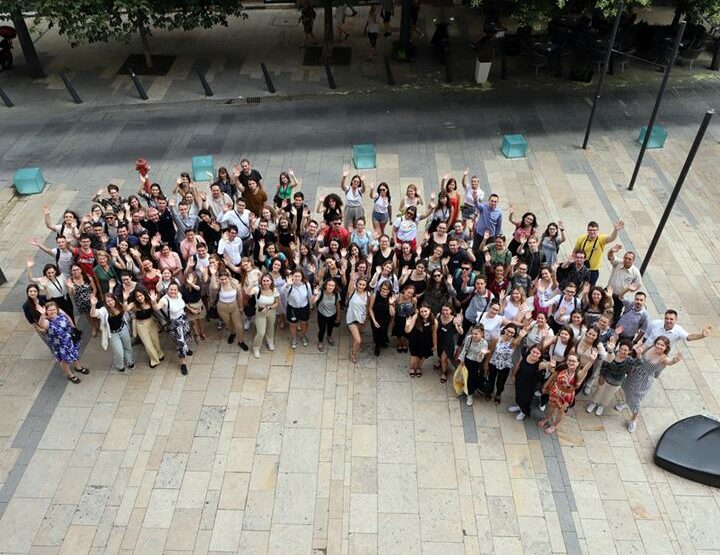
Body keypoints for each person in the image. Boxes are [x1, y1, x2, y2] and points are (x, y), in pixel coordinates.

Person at [618, 336, 684, 432]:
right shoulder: (650, 347)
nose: (659, 346)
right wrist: (638, 353)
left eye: (662, 345)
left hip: (643, 380)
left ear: (666, 347)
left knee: (636, 399)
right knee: (627, 388)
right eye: (658, 343)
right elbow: (640, 358)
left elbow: (669, 362)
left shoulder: (663, 358)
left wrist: (674, 360)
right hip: (635, 372)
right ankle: (626, 403)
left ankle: (634, 419)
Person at [36, 301, 89, 383]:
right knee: (64, 360)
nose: (52, 312)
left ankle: (78, 367)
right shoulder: (47, 321)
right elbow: (42, 325)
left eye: (54, 309)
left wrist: (73, 328)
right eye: (50, 310)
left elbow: (68, 317)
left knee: (74, 353)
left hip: (69, 340)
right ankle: (70, 375)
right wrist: (42, 315)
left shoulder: (60, 313)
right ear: (46, 311)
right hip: (59, 346)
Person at [585, 338, 639, 416]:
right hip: (606, 378)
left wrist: (639, 355)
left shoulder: (629, 360)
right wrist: (601, 375)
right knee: (599, 391)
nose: (623, 351)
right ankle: (594, 403)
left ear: (629, 351)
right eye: (621, 349)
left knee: (608, 395)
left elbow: (638, 363)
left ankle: (601, 405)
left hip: (616, 382)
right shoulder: (612, 353)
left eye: (625, 350)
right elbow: (604, 364)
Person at [149, 285, 193, 375]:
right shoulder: (164, 300)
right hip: (175, 323)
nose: (173, 291)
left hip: (183, 319)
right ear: (167, 290)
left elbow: (182, 305)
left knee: (185, 336)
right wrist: (153, 301)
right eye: (171, 289)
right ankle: (183, 363)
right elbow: (157, 307)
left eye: (175, 289)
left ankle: (186, 349)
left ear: (178, 290)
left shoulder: (179, 294)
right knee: (180, 342)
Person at [90, 292, 135, 373]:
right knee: (119, 352)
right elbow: (93, 314)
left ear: (115, 299)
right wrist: (93, 305)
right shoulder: (104, 310)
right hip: (113, 334)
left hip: (123, 329)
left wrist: (125, 300)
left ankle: (129, 361)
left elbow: (125, 309)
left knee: (128, 347)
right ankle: (119, 365)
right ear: (105, 303)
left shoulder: (119, 305)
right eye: (108, 301)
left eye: (112, 300)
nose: (111, 303)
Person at [537, 354, 580, 435]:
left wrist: (591, 361)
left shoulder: (579, 374)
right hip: (556, 391)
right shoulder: (562, 367)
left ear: (578, 363)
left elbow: (585, 371)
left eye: (573, 361)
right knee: (551, 406)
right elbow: (553, 376)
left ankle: (554, 426)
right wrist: (545, 386)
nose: (571, 362)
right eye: (569, 360)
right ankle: (547, 418)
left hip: (566, 396)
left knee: (561, 411)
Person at [486, 323, 528, 404]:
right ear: (504, 329)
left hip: (505, 365)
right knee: (491, 379)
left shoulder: (513, 342)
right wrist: (486, 363)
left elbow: (517, 342)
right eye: (508, 331)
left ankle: (498, 394)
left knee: (501, 382)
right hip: (493, 362)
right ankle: (489, 391)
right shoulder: (496, 338)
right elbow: (491, 351)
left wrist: (521, 335)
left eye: (512, 333)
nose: (509, 334)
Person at [573, 219, 624, 286]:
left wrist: (615, 230)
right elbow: (575, 251)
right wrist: (572, 262)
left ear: (598, 231)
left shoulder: (600, 239)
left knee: (589, 288)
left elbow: (611, 238)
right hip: (580, 267)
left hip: (593, 270)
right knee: (575, 285)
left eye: (594, 230)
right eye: (590, 230)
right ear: (587, 230)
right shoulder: (582, 238)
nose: (592, 232)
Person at [508, 346, 553, 421]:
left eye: (537, 353)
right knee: (518, 394)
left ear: (540, 355)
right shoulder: (525, 355)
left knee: (525, 399)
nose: (535, 354)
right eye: (533, 352)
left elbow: (545, 365)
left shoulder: (540, 364)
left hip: (529, 385)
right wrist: (514, 375)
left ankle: (524, 412)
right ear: (530, 351)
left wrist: (549, 364)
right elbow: (519, 364)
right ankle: (519, 406)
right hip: (520, 380)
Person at [125, 288, 165, 368]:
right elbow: (126, 309)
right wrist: (125, 300)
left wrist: (154, 301)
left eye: (140, 295)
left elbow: (156, 308)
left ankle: (160, 354)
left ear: (144, 294)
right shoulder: (134, 304)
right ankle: (154, 360)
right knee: (147, 344)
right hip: (141, 325)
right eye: (137, 296)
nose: (139, 298)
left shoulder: (149, 300)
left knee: (155, 341)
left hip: (151, 322)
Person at [211, 269, 249, 350]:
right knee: (229, 324)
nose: (224, 281)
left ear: (229, 277)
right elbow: (214, 287)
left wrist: (241, 307)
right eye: (222, 279)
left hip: (234, 306)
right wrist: (213, 274)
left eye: (225, 279)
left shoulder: (235, 283)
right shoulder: (219, 284)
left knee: (239, 325)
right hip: (222, 307)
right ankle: (233, 333)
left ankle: (241, 341)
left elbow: (240, 296)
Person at [640, 309, 712, 350]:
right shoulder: (654, 323)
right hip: (645, 350)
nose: (668, 321)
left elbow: (688, 337)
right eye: (666, 318)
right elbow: (646, 336)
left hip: (659, 356)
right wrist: (641, 346)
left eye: (671, 319)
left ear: (676, 320)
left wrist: (701, 335)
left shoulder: (678, 330)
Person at [606, 244, 643, 323]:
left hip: (619, 297)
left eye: (629, 259)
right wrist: (611, 251)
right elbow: (610, 257)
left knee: (615, 316)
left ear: (633, 260)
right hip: (608, 292)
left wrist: (631, 289)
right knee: (602, 309)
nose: (627, 260)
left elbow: (638, 284)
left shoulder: (635, 272)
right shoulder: (618, 263)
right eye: (625, 258)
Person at [457, 324, 489, 406]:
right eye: (473, 333)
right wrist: (462, 359)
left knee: (471, 379)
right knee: (463, 376)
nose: (474, 335)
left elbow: (479, 360)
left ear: (481, 334)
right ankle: (463, 389)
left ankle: (470, 395)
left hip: (475, 363)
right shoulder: (469, 338)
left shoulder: (484, 343)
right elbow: (465, 349)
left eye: (476, 334)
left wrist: (481, 354)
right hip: (466, 360)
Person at [66, 263, 99, 337]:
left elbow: (94, 289)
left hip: (91, 300)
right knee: (88, 315)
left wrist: (93, 296)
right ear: (71, 271)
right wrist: (71, 287)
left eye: (77, 269)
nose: (76, 271)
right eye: (73, 270)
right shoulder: (70, 281)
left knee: (95, 313)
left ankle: (98, 323)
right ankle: (93, 327)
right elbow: (72, 294)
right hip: (80, 302)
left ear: (81, 270)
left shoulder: (87, 277)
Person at [285, 270, 315, 349]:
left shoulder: (306, 284)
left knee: (304, 323)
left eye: (299, 276)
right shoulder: (288, 285)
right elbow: (283, 295)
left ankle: (304, 336)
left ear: (302, 277)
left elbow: (309, 296)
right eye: (295, 276)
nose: (297, 278)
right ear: (292, 277)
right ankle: (294, 338)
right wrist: (287, 285)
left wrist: (311, 306)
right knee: (293, 324)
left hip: (304, 307)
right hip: (292, 308)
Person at [252, 273, 280, 358]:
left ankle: (270, 342)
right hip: (260, 312)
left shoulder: (274, 290)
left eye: (267, 281)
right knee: (261, 332)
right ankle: (256, 347)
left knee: (270, 327)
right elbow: (248, 292)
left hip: (271, 311)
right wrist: (252, 283)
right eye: (264, 281)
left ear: (271, 281)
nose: (265, 282)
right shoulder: (257, 289)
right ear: (261, 281)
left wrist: (268, 307)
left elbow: (277, 303)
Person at [405, 305, 437, 378]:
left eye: (425, 311)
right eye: (421, 311)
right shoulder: (416, 316)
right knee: (414, 357)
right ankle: (412, 368)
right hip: (415, 340)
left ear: (429, 310)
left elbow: (434, 334)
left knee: (422, 357)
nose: (424, 313)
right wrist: (407, 325)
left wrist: (435, 345)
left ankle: (419, 367)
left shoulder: (433, 320)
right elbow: (407, 331)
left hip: (426, 342)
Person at [435, 305, 463, 383]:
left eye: (446, 310)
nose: (444, 312)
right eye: (443, 310)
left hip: (448, 343)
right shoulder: (438, 315)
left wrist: (458, 325)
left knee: (444, 358)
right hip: (439, 341)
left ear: (451, 310)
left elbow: (461, 332)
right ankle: (440, 362)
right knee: (440, 355)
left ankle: (444, 373)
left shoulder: (454, 320)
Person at [346, 277, 370, 363]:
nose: (361, 286)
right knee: (358, 340)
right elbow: (351, 280)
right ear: (357, 284)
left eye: (363, 285)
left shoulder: (368, 294)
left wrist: (366, 320)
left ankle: (355, 346)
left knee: (357, 337)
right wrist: (352, 273)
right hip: (351, 318)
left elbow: (367, 308)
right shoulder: (352, 291)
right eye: (360, 284)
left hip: (361, 318)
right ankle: (354, 354)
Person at [316, 278, 342, 352]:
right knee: (322, 329)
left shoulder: (336, 294)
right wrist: (315, 294)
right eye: (329, 285)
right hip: (322, 314)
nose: (331, 287)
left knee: (330, 327)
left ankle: (329, 336)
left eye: (332, 285)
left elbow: (338, 305)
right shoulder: (321, 292)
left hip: (332, 314)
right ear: (325, 285)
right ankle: (320, 341)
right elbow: (313, 301)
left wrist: (338, 316)